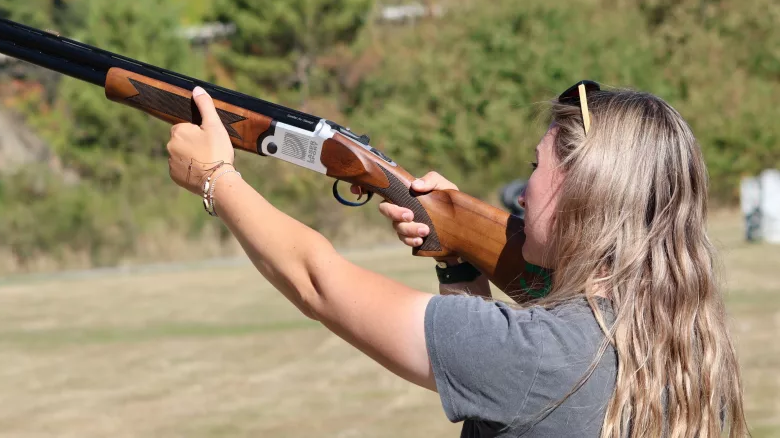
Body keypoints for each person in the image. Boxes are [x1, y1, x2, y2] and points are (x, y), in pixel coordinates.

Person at [165, 81, 747, 437]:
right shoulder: (678, 339)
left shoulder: (541, 355)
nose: (523, 191)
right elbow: (499, 395)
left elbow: (318, 283)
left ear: (585, 195)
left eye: (538, 167)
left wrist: (217, 178)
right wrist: (457, 255)